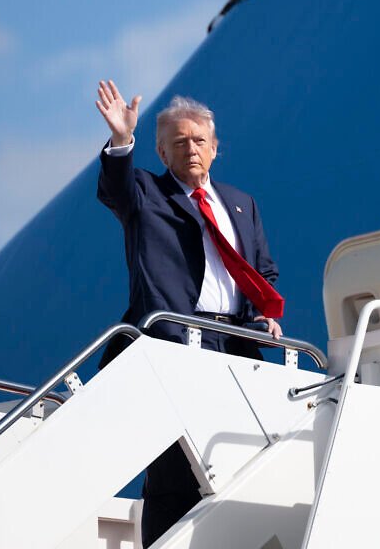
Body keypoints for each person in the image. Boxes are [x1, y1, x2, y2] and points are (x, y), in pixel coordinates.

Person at [93, 78, 283, 545]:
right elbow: (115, 189)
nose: (191, 149)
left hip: (235, 347)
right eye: (179, 142)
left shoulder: (242, 204)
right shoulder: (144, 193)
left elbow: (263, 273)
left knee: (241, 464)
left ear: (216, 148)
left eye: (199, 140)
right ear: (161, 153)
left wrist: (266, 314)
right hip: (175, 343)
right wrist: (121, 140)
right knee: (174, 471)